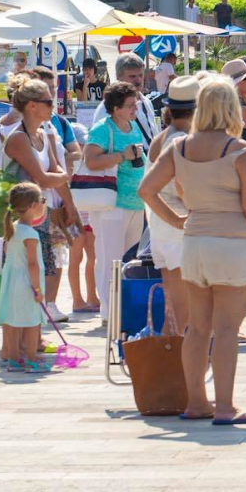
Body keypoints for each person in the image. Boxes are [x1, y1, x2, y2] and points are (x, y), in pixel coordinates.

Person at [139, 78, 246, 425]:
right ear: (231, 109)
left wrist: (179, 220)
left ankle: (197, 402)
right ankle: (226, 406)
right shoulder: (240, 151)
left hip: (196, 242)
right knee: (228, 328)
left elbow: (147, 189)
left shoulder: (179, 147)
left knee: (197, 328)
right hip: (232, 244)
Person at [0, 79, 79, 324]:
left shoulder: (43, 134)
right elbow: (42, 177)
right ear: (32, 106)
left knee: (48, 266)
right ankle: (23, 335)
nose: (52, 106)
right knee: (26, 273)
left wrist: (70, 205)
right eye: (48, 102)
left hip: (44, 210)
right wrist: (63, 176)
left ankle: (39, 326)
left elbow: (53, 173)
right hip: (23, 217)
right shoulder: (18, 138)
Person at [84, 82, 149, 323]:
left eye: (136, 104)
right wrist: (123, 156)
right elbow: (91, 161)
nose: (135, 108)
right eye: (131, 105)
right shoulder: (103, 129)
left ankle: (124, 308)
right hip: (111, 202)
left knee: (129, 260)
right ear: (116, 108)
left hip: (135, 202)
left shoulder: (133, 127)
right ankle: (109, 312)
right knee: (110, 258)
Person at [145, 76, 200, 329]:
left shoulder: (164, 136)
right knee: (183, 306)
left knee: (173, 304)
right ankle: (183, 359)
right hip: (176, 225)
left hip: (160, 224)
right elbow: (182, 187)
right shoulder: (180, 140)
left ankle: (172, 356)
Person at [0, 183, 50, 373]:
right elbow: (32, 264)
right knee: (31, 321)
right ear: (33, 206)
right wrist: (37, 289)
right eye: (42, 200)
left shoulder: (12, 229)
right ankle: (31, 359)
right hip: (25, 283)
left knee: (11, 320)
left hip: (10, 282)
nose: (44, 204)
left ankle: (13, 359)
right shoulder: (30, 234)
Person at [91, 53, 160, 141]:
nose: (138, 80)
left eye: (141, 75)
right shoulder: (108, 107)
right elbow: (97, 144)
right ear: (119, 76)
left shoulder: (146, 102)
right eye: (132, 76)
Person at [67, 122, 99, 313]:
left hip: (90, 214)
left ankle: (91, 296)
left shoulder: (88, 161)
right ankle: (77, 299)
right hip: (74, 216)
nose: (82, 146)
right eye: (79, 143)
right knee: (75, 258)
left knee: (92, 257)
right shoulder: (67, 163)